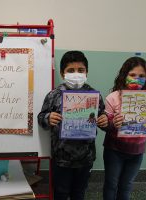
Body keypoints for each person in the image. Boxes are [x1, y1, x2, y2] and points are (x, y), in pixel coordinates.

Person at [38, 51, 108, 200]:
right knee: (61, 193)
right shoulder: (54, 95)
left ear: (86, 72)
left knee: (79, 192)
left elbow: (103, 117)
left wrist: (104, 121)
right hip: (61, 158)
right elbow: (41, 117)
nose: (76, 74)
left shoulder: (94, 95)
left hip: (86, 157)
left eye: (80, 70)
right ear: (63, 74)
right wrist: (48, 117)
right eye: (71, 70)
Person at [103, 56, 146, 200]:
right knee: (111, 184)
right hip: (114, 150)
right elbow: (104, 124)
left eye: (141, 76)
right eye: (132, 75)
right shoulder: (113, 97)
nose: (137, 79)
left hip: (137, 152)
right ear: (125, 75)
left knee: (127, 185)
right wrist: (112, 124)